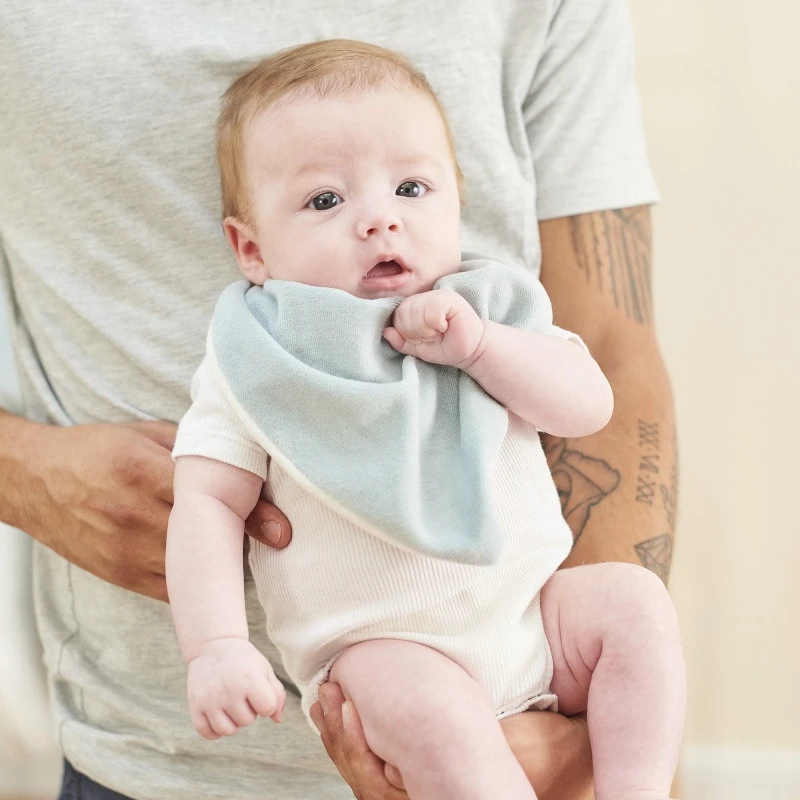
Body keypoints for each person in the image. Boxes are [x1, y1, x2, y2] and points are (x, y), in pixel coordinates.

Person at [0, 1, 677, 798]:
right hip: (385, 654)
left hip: (535, 619)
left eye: (412, 188)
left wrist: (482, 349)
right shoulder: (259, 359)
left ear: (458, 201)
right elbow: (208, 506)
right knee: (434, 714)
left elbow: (589, 405)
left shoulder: (488, 310)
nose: (379, 218)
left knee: (633, 605)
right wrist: (215, 644)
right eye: (326, 201)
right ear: (251, 249)